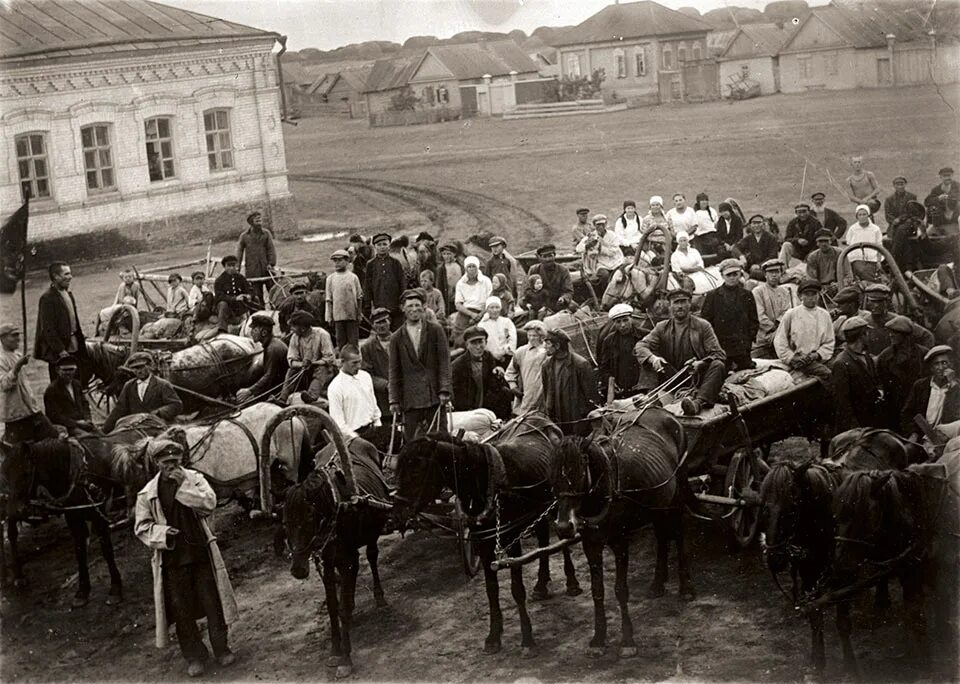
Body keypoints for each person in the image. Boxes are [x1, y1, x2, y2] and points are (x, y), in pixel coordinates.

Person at [134, 437, 238, 678]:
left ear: (181, 459)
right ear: (157, 462)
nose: (171, 465)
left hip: (200, 554)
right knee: (182, 611)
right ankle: (194, 656)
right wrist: (162, 533)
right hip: (172, 561)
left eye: (175, 460)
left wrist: (186, 488)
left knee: (213, 604)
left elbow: (209, 504)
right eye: (166, 461)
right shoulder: (148, 493)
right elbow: (141, 527)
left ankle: (222, 649)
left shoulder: (195, 479)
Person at [634, 289, 727, 416]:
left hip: (697, 378)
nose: (680, 306)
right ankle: (651, 398)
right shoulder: (662, 327)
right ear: (670, 306)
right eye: (676, 303)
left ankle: (698, 403)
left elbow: (719, 354)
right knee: (648, 356)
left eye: (683, 302)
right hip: (673, 377)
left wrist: (701, 363)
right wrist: (653, 359)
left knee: (718, 365)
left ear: (689, 304)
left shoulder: (703, 326)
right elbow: (640, 346)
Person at [388, 289, 452, 439]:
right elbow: (394, 370)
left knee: (441, 441)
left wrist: (444, 390)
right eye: (410, 306)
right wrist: (394, 400)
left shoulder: (435, 330)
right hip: (410, 400)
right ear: (402, 308)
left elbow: (444, 362)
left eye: (417, 305)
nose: (414, 309)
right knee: (413, 444)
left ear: (424, 307)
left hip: (434, 397)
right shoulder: (396, 337)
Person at [1, 323, 59, 444]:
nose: (18, 339)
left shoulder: (17, 355)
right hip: (15, 413)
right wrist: (17, 366)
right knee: (18, 451)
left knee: (53, 437)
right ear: (2, 338)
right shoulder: (1, 359)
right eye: (13, 336)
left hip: (31, 409)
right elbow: (4, 385)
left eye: (18, 335)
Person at [102, 352, 184, 433]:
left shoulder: (162, 385)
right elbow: (119, 409)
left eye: (141, 367)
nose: (138, 371)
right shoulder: (129, 386)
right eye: (135, 368)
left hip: (158, 427)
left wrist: (159, 412)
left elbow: (176, 405)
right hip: (136, 427)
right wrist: (104, 431)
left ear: (150, 366)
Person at [773, 278, 834, 385]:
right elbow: (779, 341)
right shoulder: (791, 314)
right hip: (798, 359)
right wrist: (791, 357)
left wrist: (818, 354)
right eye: (807, 294)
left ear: (818, 295)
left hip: (817, 358)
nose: (811, 298)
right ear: (801, 296)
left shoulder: (824, 315)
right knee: (827, 374)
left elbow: (829, 342)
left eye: (814, 294)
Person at [701, 259, 758, 371]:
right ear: (722, 276)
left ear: (740, 274)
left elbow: (753, 320)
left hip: (742, 347)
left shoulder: (747, 295)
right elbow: (706, 323)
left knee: (746, 375)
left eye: (735, 274)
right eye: (729, 275)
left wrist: (748, 340)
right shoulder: (713, 296)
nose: (732, 277)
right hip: (721, 347)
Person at [831, 316, 884, 432]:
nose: (869, 336)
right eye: (867, 333)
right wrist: (855, 429)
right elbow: (842, 403)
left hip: (870, 420)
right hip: (856, 427)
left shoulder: (866, 357)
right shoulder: (841, 363)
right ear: (862, 335)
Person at [35, 261, 86, 382]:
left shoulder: (68, 294)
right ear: (56, 276)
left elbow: (74, 322)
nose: (70, 277)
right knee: (61, 387)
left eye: (70, 274)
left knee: (77, 382)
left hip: (75, 347)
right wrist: (60, 350)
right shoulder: (47, 298)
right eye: (66, 274)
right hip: (60, 353)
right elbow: (48, 329)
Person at [878, 315, 929, 430]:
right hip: (894, 409)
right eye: (890, 332)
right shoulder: (885, 357)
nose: (891, 335)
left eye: (895, 333)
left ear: (906, 336)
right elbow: (880, 382)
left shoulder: (923, 355)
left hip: (918, 408)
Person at [541, 328, 596, 435]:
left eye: (548, 343)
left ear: (557, 346)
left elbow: (591, 396)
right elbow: (546, 391)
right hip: (557, 416)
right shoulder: (546, 365)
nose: (544, 346)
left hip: (576, 418)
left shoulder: (580, 364)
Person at [901, 345, 960, 441]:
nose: (940, 368)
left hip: (948, 440)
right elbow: (907, 413)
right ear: (931, 368)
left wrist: (953, 386)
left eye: (944, 363)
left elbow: (956, 417)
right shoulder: (921, 386)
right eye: (936, 364)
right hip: (921, 437)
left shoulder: (957, 387)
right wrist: (913, 433)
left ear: (951, 365)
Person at [451, 326, 512, 419]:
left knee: (505, 391)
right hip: (468, 409)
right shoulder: (458, 365)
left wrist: (498, 375)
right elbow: (457, 393)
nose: (478, 347)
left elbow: (494, 385)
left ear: (486, 342)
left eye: (480, 342)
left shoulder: (488, 357)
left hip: (486, 406)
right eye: (473, 343)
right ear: (467, 345)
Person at [861, 283, 934, 356]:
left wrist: (920, 357)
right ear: (867, 302)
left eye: (880, 301)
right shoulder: (864, 322)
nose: (876, 305)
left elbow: (927, 336)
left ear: (887, 302)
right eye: (873, 301)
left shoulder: (898, 321)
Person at [327, 344, 381, 440]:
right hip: (353, 437)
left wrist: (378, 424)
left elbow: (373, 404)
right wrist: (356, 438)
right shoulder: (335, 387)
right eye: (354, 363)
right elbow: (338, 423)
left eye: (360, 362)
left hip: (373, 431)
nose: (359, 366)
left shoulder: (366, 377)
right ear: (343, 362)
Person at [280, 311, 335, 404]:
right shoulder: (294, 337)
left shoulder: (322, 334)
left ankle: (312, 395)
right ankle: (282, 398)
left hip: (322, 370)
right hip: (304, 369)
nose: (291, 330)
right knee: (291, 370)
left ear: (303, 328)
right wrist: (302, 364)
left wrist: (313, 363)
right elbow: (291, 359)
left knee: (322, 368)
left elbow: (329, 358)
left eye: (293, 327)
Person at [235, 314, 288, 404]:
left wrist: (250, 391)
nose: (251, 332)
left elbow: (269, 376)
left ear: (264, 333)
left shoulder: (273, 348)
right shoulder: (271, 344)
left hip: (278, 387)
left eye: (254, 330)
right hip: (276, 383)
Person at [44, 353, 97, 436]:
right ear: (58, 371)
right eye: (64, 370)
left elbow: (84, 404)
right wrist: (77, 423)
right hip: (66, 427)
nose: (68, 373)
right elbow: (55, 416)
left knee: (103, 435)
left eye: (71, 369)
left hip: (82, 423)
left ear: (75, 370)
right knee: (90, 438)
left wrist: (88, 419)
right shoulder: (52, 390)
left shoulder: (77, 384)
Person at [753, 259, 796, 358]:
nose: (774, 275)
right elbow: (760, 316)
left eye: (777, 272)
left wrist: (779, 328)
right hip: (764, 335)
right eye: (770, 272)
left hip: (781, 331)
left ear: (781, 274)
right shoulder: (758, 291)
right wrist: (774, 328)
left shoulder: (784, 291)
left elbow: (787, 312)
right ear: (765, 275)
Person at [599, 303, 642, 403]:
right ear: (614, 323)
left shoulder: (644, 336)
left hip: (641, 389)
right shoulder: (608, 341)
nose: (622, 325)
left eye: (625, 320)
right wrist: (610, 382)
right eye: (618, 322)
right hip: (620, 392)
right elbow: (604, 367)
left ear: (631, 318)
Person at [505, 320, 548, 414]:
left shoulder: (548, 350)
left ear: (542, 336)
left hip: (545, 393)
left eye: (535, 336)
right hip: (528, 393)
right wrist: (513, 387)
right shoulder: (521, 352)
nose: (531, 338)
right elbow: (510, 372)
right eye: (529, 335)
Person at [364, 232, 406, 330]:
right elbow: (367, 286)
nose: (382, 247)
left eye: (384, 244)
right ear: (375, 247)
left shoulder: (395, 263)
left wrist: (403, 301)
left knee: (397, 330)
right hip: (379, 305)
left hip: (395, 305)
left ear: (389, 246)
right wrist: (368, 304)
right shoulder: (371, 264)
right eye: (379, 245)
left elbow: (402, 282)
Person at [325, 249, 363, 350]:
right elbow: (328, 299)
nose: (337, 263)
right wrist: (329, 316)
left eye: (340, 260)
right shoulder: (330, 278)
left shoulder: (353, 277)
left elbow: (359, 297)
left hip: (352, 315)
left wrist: (359, 313)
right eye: (335, 261)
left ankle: (355, 361)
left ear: (347, 261)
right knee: (341, 342)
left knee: (353, 342)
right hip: (338, 316)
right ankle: (343, 362)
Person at [577, 213, 623, 295]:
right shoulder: (592, 236)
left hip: (616, 261)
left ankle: (619, 294)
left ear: (605, 224)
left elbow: (613, 251)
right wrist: (587, 246)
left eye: (602, 224)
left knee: (620, 275)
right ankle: (604, 295)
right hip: (601, 263)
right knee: (604, 275)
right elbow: (578, 249)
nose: (600, 227)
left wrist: (600, 248)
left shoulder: (612, 235)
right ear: (594, 225)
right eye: (598, 225)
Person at [236, 211, 276, 305]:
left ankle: (275, 310)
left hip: (267, 269)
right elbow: (239, 252)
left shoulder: (266, 234)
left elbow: (271, 249)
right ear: (250, 222)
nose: (259, 220)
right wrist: (237, 267)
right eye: (256, 219)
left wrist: (271, 263)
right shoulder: (244, 236)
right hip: (252, 271)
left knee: (273, 292)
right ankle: (259, 313)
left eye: (260, 218)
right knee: (257, 295)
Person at [453, 255, 493, 344]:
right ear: (466, 269)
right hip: (466, 312)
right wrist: (472, 314)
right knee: (460, 336)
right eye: (469, 266)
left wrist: (480, 314)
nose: (471, 269)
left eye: (473, 266)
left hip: (483, 311)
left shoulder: (486, 281)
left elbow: (490, 301)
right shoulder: (460, 283)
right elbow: (458, 305)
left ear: (477, 267)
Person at [360, 308, 392, 418]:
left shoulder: (401, 341)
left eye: (384, 321)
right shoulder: (367, 347)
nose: (381, 326)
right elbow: (366, 375)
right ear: (373, 325)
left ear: (390, 322)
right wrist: (385, 384)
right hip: (382, 396)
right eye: (378, 323)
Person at [843, 205, 883, 281]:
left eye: (864, 214)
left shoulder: (875, 229)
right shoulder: (853, 229)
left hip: (872, 259)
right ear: (857, 216)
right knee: (861, 271)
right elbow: (849, 244)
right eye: (860, 215)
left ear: (868, 215)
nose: (862, 217)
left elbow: (879, 246)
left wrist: (878, 261)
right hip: (856, 259)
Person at [213, 255, 252, 333]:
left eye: (233, 265)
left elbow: (249, 289)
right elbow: (219, 296)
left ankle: (254, 324)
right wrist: (234, 298)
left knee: (256, 301)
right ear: (224, 266)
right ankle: (222, 329)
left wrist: (249, 295)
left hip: (239, 306)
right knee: (222, 304)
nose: (232, 268)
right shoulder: (219, 280)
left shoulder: (240, 278)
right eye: (229, 265)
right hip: (226, 307)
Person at [528, 244, 573, 310]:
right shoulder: (534, 270)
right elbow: (527, 290)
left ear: (554, 256)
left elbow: (568, 291)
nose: (548, 259)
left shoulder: (563, 270)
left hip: (558, 304)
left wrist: (563, 298)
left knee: (574, 308)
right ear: (540, 258)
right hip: (539, 305)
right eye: (545, 256)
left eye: (550, 256)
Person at [477, 296, 516, 364]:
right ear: (487, 309)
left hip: (506, 356)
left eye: (497, 307)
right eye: (491, 307)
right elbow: (482, 343)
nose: (495, 310)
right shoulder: (482, 325)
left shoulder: (506, 322)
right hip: (488, 358)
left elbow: (512, 338)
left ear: (500, 309)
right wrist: (492, 355)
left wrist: (506, 351)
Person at [805, 230, 841, 294]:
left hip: (838, 286)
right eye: (821, 241)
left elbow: (847, 274)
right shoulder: (813, 257)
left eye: (826, 241)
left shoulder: (840, 253)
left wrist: (839, 283)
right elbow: (811, 277)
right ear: (817, 243)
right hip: (820, 288)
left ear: (830, 241)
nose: (824, 244)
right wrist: (819, 287)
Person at [435, 243, 463, 318]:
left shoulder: (460, 266)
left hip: (459, 297)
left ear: (454, 254)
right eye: (444, 254)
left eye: (449, 254)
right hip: (447, 298)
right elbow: (438, 286)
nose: (446, 256)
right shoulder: (441, 269)